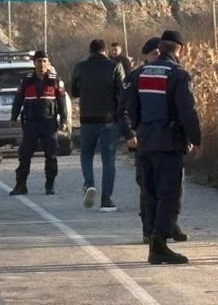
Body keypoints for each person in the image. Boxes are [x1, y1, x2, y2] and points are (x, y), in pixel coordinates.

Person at [124, 30, 201, 265]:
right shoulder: (178, 74)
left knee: (150, 191)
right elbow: (187, 111)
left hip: (146, 141)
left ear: (161, 47)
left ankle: (153, 238)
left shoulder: (139, 73)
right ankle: (159, 244)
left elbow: (130, 108)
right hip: (169, 142)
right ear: (180, 49)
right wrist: (196, 140)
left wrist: (141, 129)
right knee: (170, 193)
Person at [71, 39, 133, 211]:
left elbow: (74, 91)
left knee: (86, 155)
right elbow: (122, 93)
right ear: (105, 51)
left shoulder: (80, 67)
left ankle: (89, 184)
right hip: (108, 120)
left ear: (90, 51)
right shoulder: (115, 67)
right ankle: (107, 199)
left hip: (87, 119)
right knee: (108, 159)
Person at [9, 50, 68, 196]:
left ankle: (50, 184)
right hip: (31, 123)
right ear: (34, 63)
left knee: (51, 154)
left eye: (44, 61)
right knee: (25, 155)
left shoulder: (55, 80)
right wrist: (13, 116)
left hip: (49, 123)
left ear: (48, 63)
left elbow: (61, 102)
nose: (41, 64)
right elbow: (18, 100)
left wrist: (64, 120)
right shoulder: (27, 80)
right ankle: (21, 185)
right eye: (38, 61)